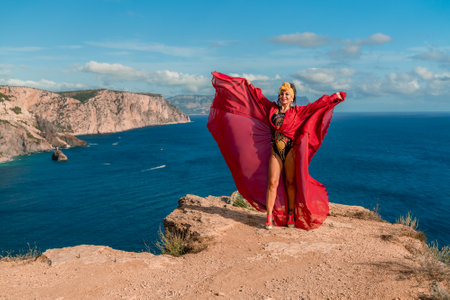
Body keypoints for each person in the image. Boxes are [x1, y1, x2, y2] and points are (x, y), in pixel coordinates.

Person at [207, 72, 345, 230]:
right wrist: (248, 85)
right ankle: (269, 216)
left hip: (290, 151)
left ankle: (291, 215)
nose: (283, 96)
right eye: (282, 93)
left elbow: (316, 105)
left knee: (290, 183)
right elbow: (258, 99)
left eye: (287, 94)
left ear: (292, 97)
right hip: (275, 151)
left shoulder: (298, 111)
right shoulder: (272, 109)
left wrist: (334, 97)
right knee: (272, 183)